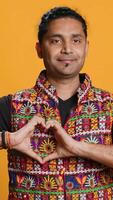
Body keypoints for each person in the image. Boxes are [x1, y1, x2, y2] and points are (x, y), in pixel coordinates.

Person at [0, 6, 113, 200]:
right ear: (39, 49)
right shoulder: (11, 105)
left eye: (76, 40)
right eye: (55, 41)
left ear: (86, 47)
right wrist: (7, 139)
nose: (67, 48)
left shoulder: (109, 105)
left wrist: (77, 147)